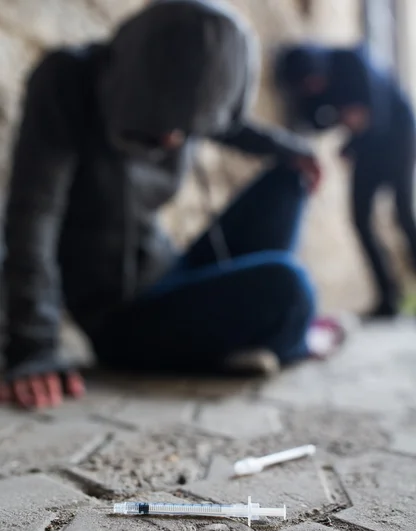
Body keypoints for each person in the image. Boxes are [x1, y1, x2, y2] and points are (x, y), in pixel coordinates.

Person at [0, 0, 343, 410]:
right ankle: (286, 336)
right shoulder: (66, 81)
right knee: (291, 288)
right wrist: (32, 346)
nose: (172, 143)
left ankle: (258, 336)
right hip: (122, 319)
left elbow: (228, 124)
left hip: (170, 271)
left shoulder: (189, 113)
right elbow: (33, 215)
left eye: (186, 130)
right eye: (162, 128)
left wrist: (292, 150)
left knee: (289, 179)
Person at [275, 43, 416, 319]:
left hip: (399, 138)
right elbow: (319, 122)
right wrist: (349, 128)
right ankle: (388, 296)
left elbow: (379, 115)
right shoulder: (312, 88)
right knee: (360, 218)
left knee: (403, 213)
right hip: (367, 149)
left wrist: (353, 133)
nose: (314, 87)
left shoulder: (352, 62)